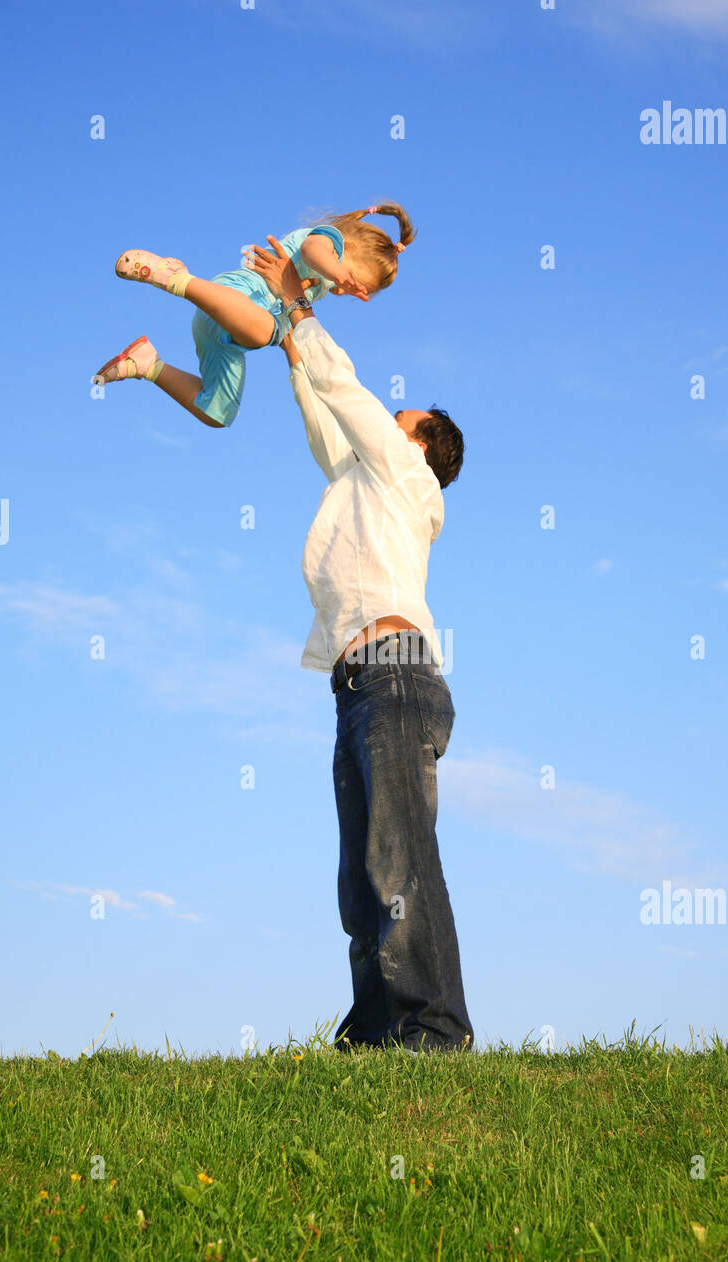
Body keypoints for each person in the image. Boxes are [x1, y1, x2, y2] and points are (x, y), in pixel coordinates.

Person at [249, 235, 474, 1053]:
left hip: (397, 679)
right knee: (363, 881)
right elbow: (327, 413)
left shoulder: (408, 479)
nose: (387, 418)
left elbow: (348, 395)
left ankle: (434, 1029)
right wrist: (286, 337)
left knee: (398, 863)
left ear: (416, 443)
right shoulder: (361, 477)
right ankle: (377, 1032)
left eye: (398, 418)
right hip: (356, 687)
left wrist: (304, 308)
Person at [91, 202, 414, 429]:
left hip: (226, 337)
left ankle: (148, 365)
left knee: (218, 413)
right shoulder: (328, 239)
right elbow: (311, 252)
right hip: (239, 295)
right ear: (352, 247)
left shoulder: (323, 280)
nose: (345, 290)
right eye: (355, 280)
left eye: (357, 290)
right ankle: (176, 278)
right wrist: (338, 273)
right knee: (265, 332)